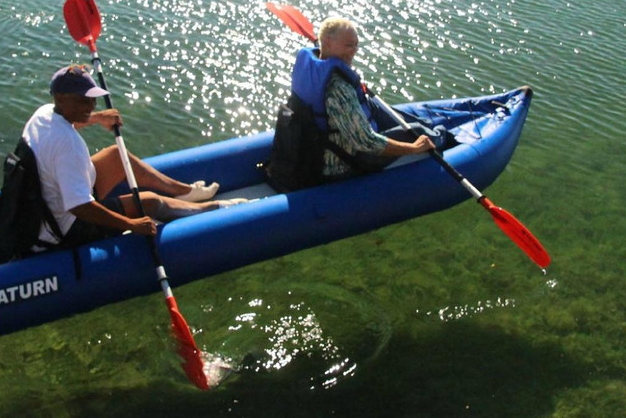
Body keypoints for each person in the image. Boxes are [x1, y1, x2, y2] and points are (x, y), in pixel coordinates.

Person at [23, 64, 243, 253]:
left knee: (117, 156)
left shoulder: (44, 113)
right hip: (66, 226)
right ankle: (212, 209)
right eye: (83, 101)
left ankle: (185, 192)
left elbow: (70, 122)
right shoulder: (68, 144)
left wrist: (97, 118)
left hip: (51, 198)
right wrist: (131, 224)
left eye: (92, 100)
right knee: (150, 202)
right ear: (61, 98)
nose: (90, 106)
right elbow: (79, 207)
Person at [291, 17, 435, 180]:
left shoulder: (312, 64)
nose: (353, 50)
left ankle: (431, 126)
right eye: (348, 45)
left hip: (322, 141)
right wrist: (414, 148)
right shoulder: (338, 89)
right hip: (342, 161)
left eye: (355, 44)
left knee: (390, 114)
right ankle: (446, 136)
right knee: (420, 132)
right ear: (327, 42)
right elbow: (365, 142)